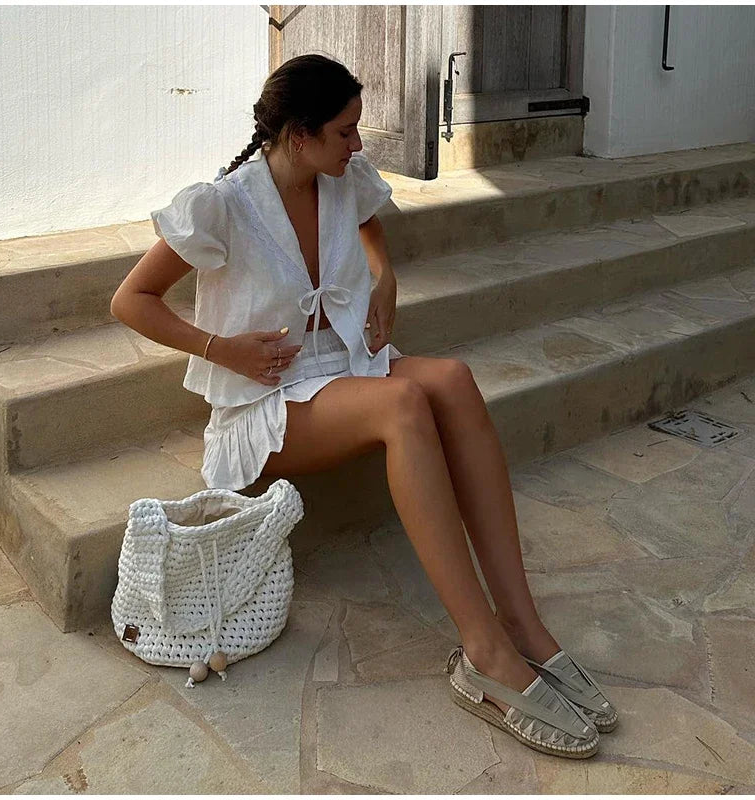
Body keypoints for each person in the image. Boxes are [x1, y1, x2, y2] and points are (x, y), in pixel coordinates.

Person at [110, 53, 616, 759]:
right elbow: (130, 300)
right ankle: (483, 653)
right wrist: (221, 349)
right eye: (345, 131)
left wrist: (385, 277)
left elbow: (372, 225)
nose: (357, 143)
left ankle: (522, 623)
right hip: (267, 400)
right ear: (299, 136)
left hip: (345, 364)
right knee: (402, 404)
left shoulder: (341, 178)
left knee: (454, 379)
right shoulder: (222, 204)